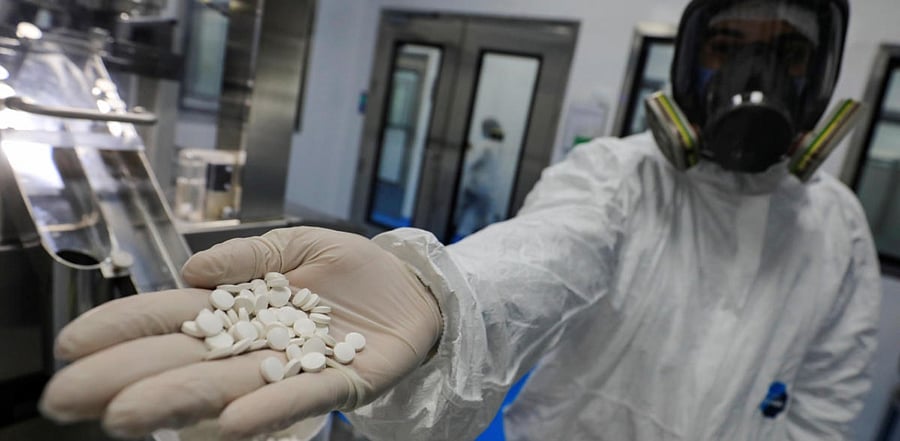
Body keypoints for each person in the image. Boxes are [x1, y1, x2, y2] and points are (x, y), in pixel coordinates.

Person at [39, 0, 881, 440]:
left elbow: (829, 399)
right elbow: (547, 256)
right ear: (693, 59)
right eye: (729, 45)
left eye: (789, 53)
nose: (756, 75)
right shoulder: (619, 177)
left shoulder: (838, 229)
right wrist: (437, 295)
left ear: (822, 75)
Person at [454, 117, 505, 239]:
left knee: (462, 215)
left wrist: (468, 152)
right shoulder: (498, 146)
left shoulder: (484, 145)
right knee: (483, 219)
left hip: (475, 187)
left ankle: (453, 238)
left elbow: (471, 162)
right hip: (488, 190)